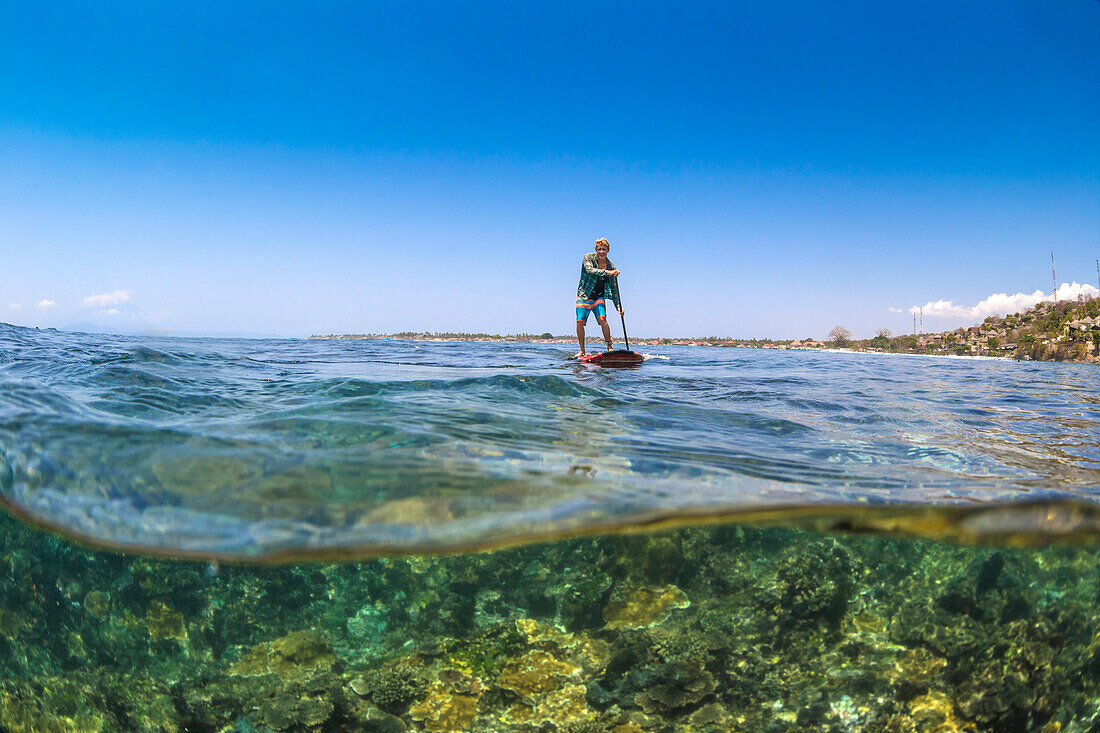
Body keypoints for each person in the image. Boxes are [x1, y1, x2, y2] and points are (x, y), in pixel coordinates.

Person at [575, 237, 623, 356]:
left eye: (604, 249)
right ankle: (582, 350)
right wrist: (608, 273)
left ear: (608, 251)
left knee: (602, 319)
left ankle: (609, 346)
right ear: (596, 250)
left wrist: (618, 307)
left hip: (598, 296)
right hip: (584, 295)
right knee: (580, 321)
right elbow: (590, 270)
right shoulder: (588, 258)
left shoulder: (611, 266)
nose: (601, 252)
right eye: (599, 249)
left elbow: (614, 289)